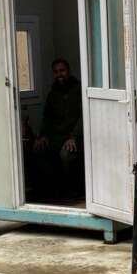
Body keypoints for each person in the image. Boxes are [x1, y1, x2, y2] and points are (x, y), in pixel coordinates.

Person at [33, 58, 84, 202]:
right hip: (56, 136)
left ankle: (73, 191)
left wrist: (74, 136)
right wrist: (42, 135)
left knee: (66, 154)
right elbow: (47, 117)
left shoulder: (79, 90)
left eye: (62, 71)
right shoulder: (53, 93)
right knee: (38, 150)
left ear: (68, 71)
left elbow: (84, 116)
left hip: (75, 137)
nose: (59, 74)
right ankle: (49, 192)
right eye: (55, 72)